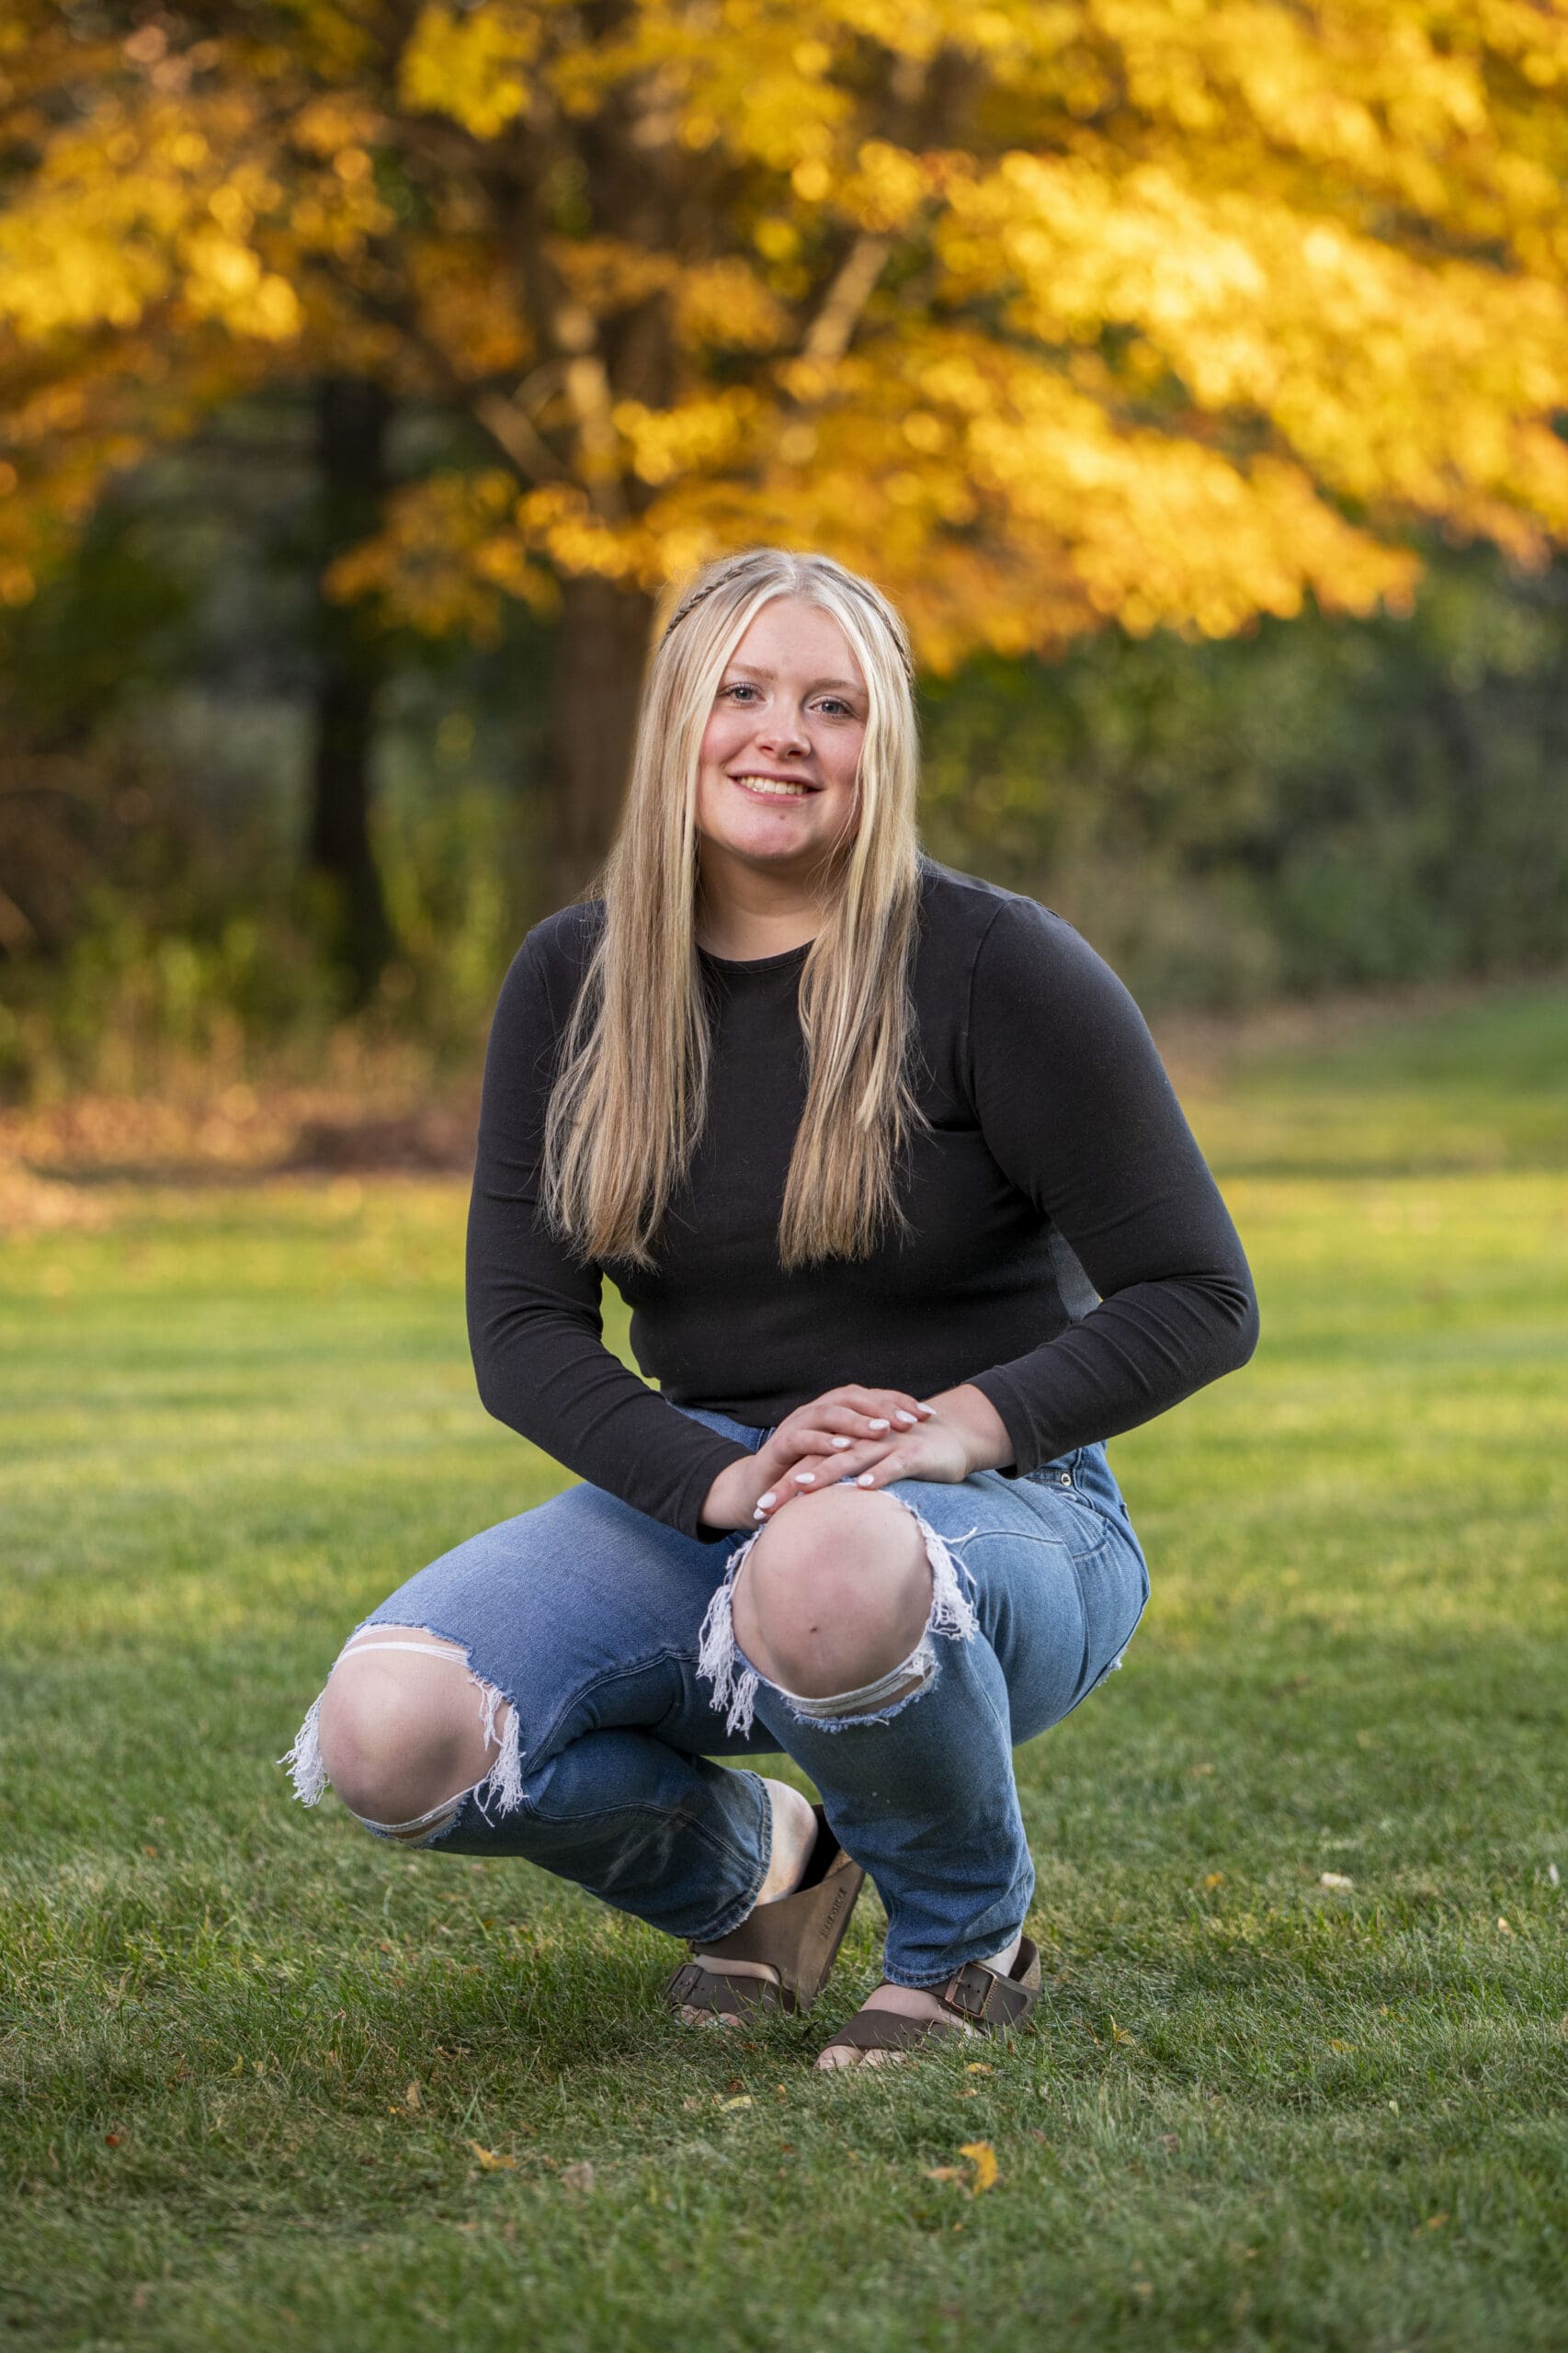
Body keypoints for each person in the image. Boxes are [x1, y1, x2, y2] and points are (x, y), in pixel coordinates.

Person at [283, 546, 1258, 2068]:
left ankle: (961, 1942)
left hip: (1005, 1508)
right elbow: (523, 1327)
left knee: (827, 1553)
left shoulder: (997, 966)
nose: (781, 736)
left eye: (833, 705)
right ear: (674, 723)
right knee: (392, 1734)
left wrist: (955, 1430)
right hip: (714, 1491)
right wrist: (721, 1476)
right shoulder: (576, 978)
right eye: (739, 693)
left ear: (885, 749)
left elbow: (1199, 1296)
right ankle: (764, 1874)